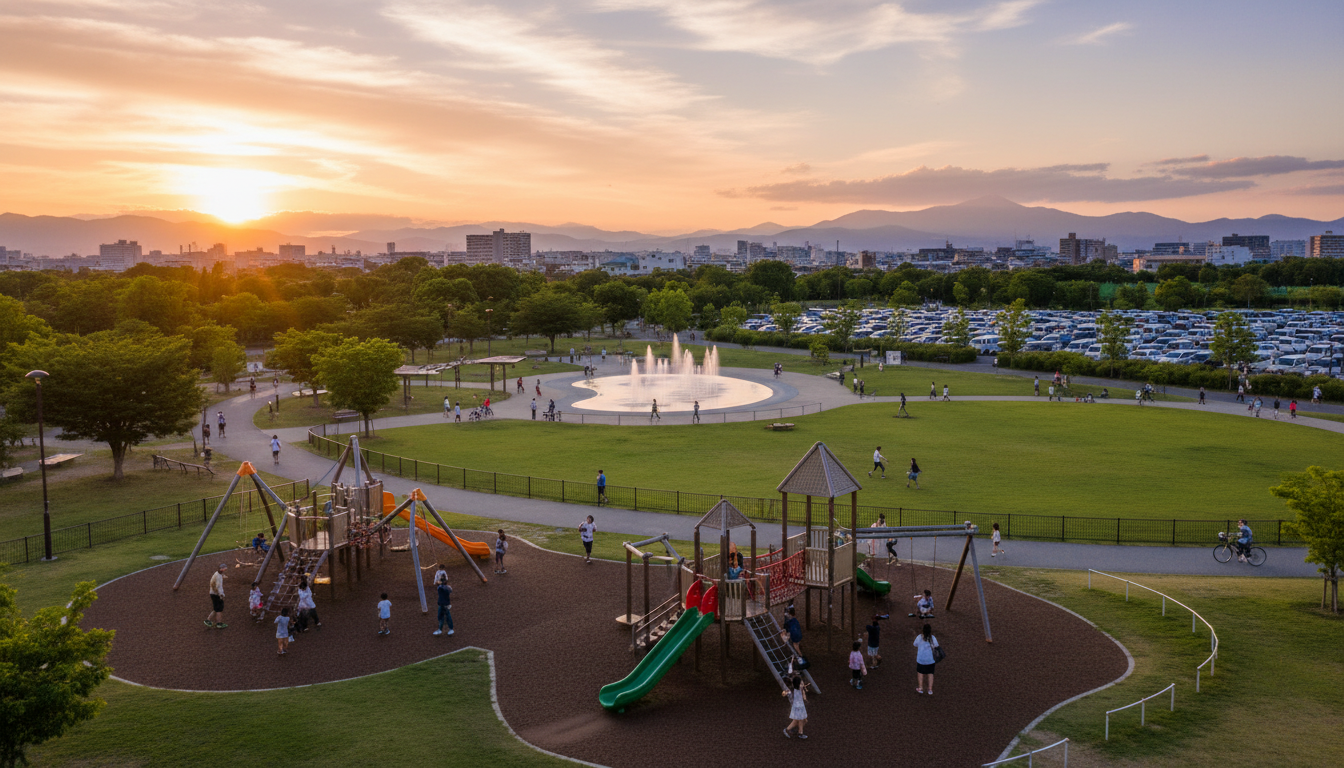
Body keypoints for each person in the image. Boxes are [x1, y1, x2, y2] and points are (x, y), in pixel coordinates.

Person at [913, 623, 939, 695]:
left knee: (920, 673)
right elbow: (936, 646)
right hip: (930, 660)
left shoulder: (919, 637)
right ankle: (930, 689)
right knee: (930, 674)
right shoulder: (933, 638)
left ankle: (920, 688)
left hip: (921, 659)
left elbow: (914, 644)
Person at [782, 675, 808, 739]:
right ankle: (797, 732)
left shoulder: (797, 689)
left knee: (803, 720)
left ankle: (795, 731)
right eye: (801, 682)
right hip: (798, 707)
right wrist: (785, 693)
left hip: (800, 706)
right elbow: (784, 693)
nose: (802, 683)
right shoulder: (794, 690)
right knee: (799, 720)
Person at [206, 563, 227, 629]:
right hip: (216, 594)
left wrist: (223, 575)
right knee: (219, 609)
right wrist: (221, 595)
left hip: (212, 593)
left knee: (216, 608)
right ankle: (219, 623)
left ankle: (208, 620)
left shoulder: (216, 574)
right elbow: (218, 587)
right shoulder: (219, 577)